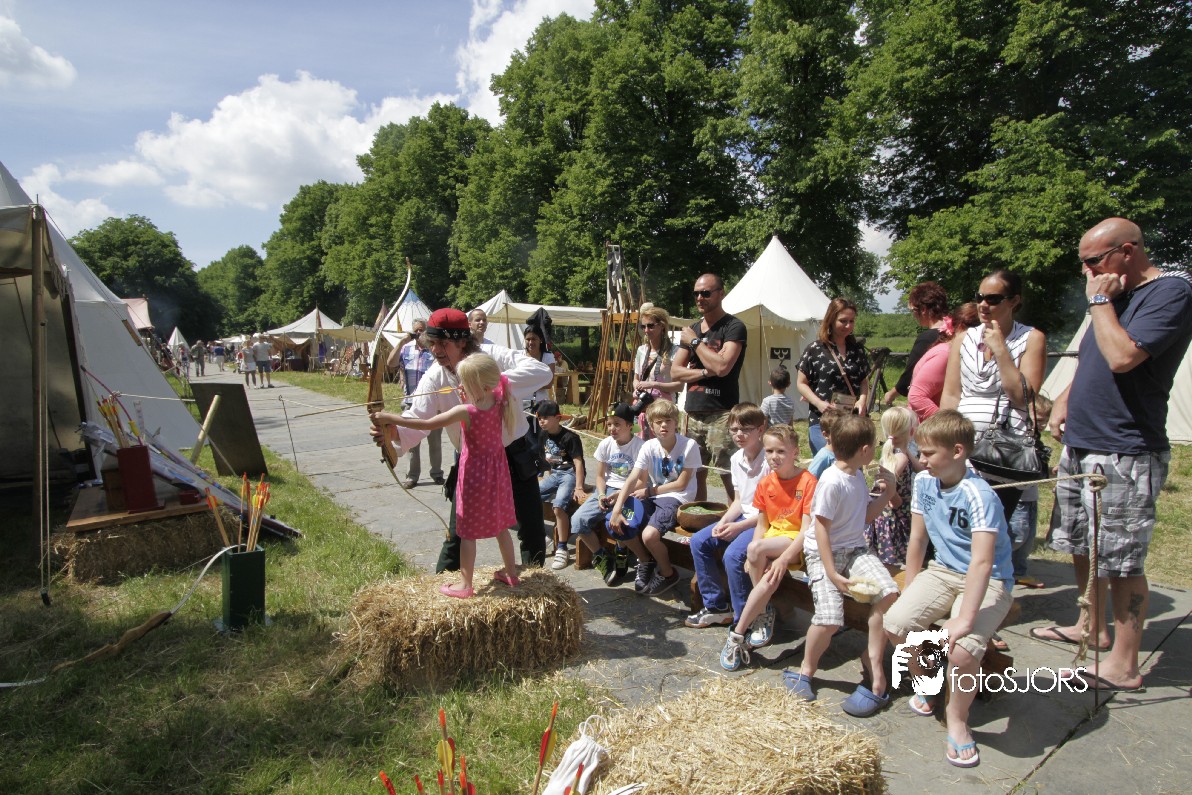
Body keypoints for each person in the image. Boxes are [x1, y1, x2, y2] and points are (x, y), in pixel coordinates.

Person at [1042, 217, 1192, 692]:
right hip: (1083, 442)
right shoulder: (1111, 296)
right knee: (1082, 543)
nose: (1086, 273)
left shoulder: (1170, 292)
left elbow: (1123, 357)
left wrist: (1101, 303)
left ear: (1127, 251)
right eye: (1083, 264)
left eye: (1093, 261)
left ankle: (1124, 664)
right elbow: (1092, 358)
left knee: (1122, 559)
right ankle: (1091, 627)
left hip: (1125, 449)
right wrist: (1064, 400)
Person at [370, 308, 553, 571]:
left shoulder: (489, 356)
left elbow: (541, 371)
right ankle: (442, 587)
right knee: (459, 534)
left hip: (513, 454)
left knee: (532, 529)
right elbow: (419, 418)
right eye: (432, 343)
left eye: (442, 343)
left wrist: (489, 383)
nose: (436, 350)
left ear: (462, 342)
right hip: (472, 460)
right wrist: (392, 433)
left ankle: (534, 586)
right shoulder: (436, 375)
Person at [881, 410, 1014, 768]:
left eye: (928, 453)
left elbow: (982, 563)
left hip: (990, 578)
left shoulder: (979, 494)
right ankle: (929, 683)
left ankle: (957, 719)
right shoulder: (925, 482)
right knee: (896, 623)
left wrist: (965, 620)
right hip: (942, 570)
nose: (920, 459)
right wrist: (910, 588)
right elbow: (918, 539)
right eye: (920, 452)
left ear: (957, 451)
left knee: (962, 651)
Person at [372, 354, 521, 597]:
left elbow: (427, 424)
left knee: (467, 532)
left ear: (482, 387)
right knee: (502, 526)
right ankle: (511, 574)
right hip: (497, 473)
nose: (460, 387)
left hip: (474, 476)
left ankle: (465, 585)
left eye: (466, 383)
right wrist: (471, 393)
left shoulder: (466, 411)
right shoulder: (499, 398)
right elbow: (482, 396)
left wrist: (389, 418)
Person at [783, 414, 897, 714]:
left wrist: (888, 493)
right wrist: (832, 572)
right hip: (824, 554)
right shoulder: (832, 481)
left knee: (888, 593)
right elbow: (820, 528)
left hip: (855, 549)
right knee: (830, 618)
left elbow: (864, 518)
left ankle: (872, 659)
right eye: (875, 445)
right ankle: (805, 670)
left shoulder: (857, 475)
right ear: (864, 449)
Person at [941, 270, 1045, 521]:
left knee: (1002, 527)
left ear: (1014, 301)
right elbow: (951, 395)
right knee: (964, 524)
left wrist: (1001, 350)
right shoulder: (963, 339)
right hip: (964, 448)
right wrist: (943, 441)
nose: (983, 305)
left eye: (993, 299)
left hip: (1007, 453)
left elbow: (1022, 397)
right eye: (980, 297)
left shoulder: (1032, 339)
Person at [718, 423, 817, 671]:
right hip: (773, 539)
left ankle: (746, 626)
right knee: (759, 563)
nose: (774, 457)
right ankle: (750, 624)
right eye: (770, 451)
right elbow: (762, 524)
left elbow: (806, 531)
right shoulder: (766, 483)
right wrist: (753, 553)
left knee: (756, 553)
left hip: (795, 541)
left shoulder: (807, 482)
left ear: (795, 452)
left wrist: (781, 558)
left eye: (781, 451)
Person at [687, 403, 768, 631]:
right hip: (744, 517)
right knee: (699, 541)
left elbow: (770, 511)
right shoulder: (736, 459)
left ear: (760, 430)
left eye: (746, 429)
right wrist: (723, 521)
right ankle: (716, 606)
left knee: (733, 555)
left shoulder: (769, 460)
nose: (739, 435)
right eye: (734, 430)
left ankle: (744, 617)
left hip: (764, 522)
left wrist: (738, 528)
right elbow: (740, 500)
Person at [608, 399, 701, 596]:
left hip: (677, 498)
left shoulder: (689, 445)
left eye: (668, 420)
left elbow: (681, 484)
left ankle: (668, 573)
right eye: (658, 422)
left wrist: (649, 491)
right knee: (620, 523)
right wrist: (617, 506)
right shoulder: (649, 446)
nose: (663, 425)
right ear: (651, 426)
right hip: (654, 496)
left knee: (649, 536)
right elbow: (633, 478)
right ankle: (645, 561)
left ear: (676, 422)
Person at [671, 273, 747, 502]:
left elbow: (723, 367)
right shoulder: (693, 328)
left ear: (721, 294)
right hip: (693, 411)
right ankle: (699, 518)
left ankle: (736, 518)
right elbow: (675, 372)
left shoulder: (734, 327)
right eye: (696, 293)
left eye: (705, 293)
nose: (699, 298)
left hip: (722, 411)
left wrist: (695, 343)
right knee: (695, 473)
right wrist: (706, 371)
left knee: (728, 473)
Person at [570, 402, 644, 584]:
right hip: (607, 490)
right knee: (577, 521)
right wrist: (601, 495)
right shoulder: (605, 444)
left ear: (629, 425)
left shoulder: (640, 447)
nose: (612, 428)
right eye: (609, 424)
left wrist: (620, 494)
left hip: (630, 491)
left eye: (617, 424)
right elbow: (600, 476)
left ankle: (621, 549)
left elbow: (642, 482)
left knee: (619, 523)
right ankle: (601, 556)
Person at [796, 297, 870, 455]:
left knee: (851, 465)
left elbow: (863, 380)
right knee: (828, 463)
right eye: (843, 321)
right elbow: (801, 383)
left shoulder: (857, 349)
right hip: (823, 420)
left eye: (851, 321)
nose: (848, 325)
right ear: (831, 320)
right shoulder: (815, 349)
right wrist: (818, 403)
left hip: (851, 421)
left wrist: (862, 400)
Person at [388, 319, 444, 489]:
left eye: (422, 330)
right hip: (410, 401)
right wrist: (402, 342)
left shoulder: (433, 349)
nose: (419, 333)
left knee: (435, 441)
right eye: (416, 330)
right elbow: (391, 364)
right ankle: (412, 476)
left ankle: (436, 473)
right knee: (411, 443)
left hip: (433, 403)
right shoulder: (406, 349)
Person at [866, 406, 922, 571]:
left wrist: (907, 451)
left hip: (889, 515)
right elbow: (884, 484)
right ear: (912, 432)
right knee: (891, 562)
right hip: (893, 516)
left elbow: (920, 469)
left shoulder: (899, 454)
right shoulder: (900, 458)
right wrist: (896, 499)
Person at [536, 400, 587, 570]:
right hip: (556, 474)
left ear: (557, 418)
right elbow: (549, 461)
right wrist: (549, 481)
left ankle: (562, 548)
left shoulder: (570, 438)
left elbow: (578, 463)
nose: (541, 421)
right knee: (530, 497)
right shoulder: (543, 435)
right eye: (539, 418)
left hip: (570, 474)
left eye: (545, 418)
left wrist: (579, 487)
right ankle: (544, 537)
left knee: (558, 507)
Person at [907, 303, 979, 421]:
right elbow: (917, 396)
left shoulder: (956, 352)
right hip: (932, 429)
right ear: (961, 327)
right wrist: (945, 424)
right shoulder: (945, 354)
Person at [884, 282, 950, 406]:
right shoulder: (956, 332)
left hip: (933, 404)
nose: (914, 315)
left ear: (923, 309)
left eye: (913, 310)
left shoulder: (927, 338)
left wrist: (890, 395)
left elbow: (910, 375)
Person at [631, 305, 682, 440]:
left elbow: (679, 386)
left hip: (663, 412)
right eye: (643, 326)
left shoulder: (674, 351)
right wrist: (637, 388)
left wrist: (654, 384)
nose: (646, 330)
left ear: (662, 326)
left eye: (651, 326)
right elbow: (636, 378)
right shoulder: (641, 350)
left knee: (663, 446)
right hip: (642, 408)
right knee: (639, 445)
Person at [807, 407, 846, 479]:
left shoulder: (845, 453)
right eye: (838, 432)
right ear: (825, 435)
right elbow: (809, 478)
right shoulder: (823, 456)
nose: (843, 435)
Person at [523, 326, 555, 404]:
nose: (530, 342)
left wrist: (525, 383)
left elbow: (549, 383)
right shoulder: (519, 355)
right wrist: (538, 383)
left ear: (541, 340)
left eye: (533, 339)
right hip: (521, 402)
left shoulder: (548, 357)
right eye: (528, 339)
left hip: (540, 402)